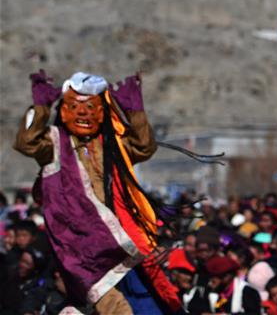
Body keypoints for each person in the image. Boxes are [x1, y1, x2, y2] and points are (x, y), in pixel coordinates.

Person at [14, 70, 181, 313]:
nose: (83, 113)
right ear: (63, 110)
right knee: (114, 307)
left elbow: (143, 148)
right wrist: (40, 108)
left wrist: (135, 113)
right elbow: (26, 143)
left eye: (91, 107)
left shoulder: (111, 144)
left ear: (102, 111)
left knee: (146, 301)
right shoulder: (54, 143)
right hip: (78, 249)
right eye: (75, 106)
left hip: (116, 243)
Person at [186, 255, 262, 314]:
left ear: (228, 276)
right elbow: (193, 308)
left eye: (216, 276)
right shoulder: (206, 290)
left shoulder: (247, 292)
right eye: (211, 276)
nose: (211, 280)